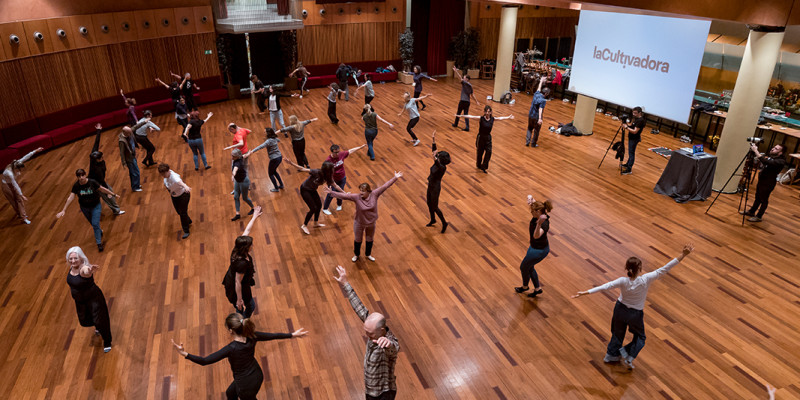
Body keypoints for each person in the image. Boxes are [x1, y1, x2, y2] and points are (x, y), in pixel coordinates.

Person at [572, 244, 694, 369]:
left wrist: (586, 292)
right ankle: (629, 356)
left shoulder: (622, 281)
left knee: (617, 333)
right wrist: (683, 255)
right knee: (640, 337)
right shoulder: (646, 279)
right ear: (640, 268)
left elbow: (605, 286)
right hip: (635, 314)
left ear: (626, 268)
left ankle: (610, 356)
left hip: (620, 310)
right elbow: (666, 268)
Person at [171, 313, 307, 400]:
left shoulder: (231, 349)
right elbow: (274, 336)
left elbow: (205, 361)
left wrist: (184, 353)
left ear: (231, 331)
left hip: (246, 384)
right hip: (257, 374)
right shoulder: (253, 335)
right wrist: (292, 334)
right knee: (230, 393)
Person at [334, 265, 399, 400]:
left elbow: (394, 349)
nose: (367, 336)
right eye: (366, 332)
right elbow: (360, 308)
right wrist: (345, 283)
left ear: (381, 331)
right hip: (370, 390)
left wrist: (388, 345)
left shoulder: (386, 342)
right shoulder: (374, 328)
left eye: (370, 334)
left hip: (383, 394)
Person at [324, 171, 401, 262]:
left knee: (369, 239)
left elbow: (385, 186)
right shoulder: (357, 197)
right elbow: (344, 196)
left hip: (371, 223)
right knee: (358, 239)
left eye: (363, 191)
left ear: (368, 191)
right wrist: (332, 192)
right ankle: (356, 255)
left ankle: (368, 255)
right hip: (359, 222)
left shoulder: (375, 194)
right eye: (360, 190)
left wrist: (395, 178)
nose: (360, 193)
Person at [56, 169, 120, 252]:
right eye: (79, 176)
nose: (81, 178)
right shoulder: (76, 186)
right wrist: (63, 210)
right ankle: (99, 231)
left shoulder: (92, 182)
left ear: (85, 175)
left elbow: (102, 189)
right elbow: (71, 197)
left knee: (95, 223)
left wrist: (113, 194)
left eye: (82, 175)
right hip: (85, 208)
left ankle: (99, 243)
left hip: (96, 206)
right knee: (94, 224)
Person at [65, 246, 113, 352]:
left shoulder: (83, 268)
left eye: (75, 258)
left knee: (101, 320)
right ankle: (98, 327)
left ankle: (107, 342)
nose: (73, 261)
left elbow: (86, 272)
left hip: (93, 299)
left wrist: (89, 271)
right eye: (71, 258)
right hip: (80, 301)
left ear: (81, 258)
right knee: (86, 319)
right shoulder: (72, 268)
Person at [221, 206, 263, 317]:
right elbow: (237, 282)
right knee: (249, 306)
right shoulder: (242, 263)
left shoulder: (238, 247)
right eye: (251, 245)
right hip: (238, 287)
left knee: (242, 306)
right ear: (246, 248)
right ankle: (241, 324)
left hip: (236, 281)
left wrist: (254, 216)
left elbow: (247, 230)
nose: (252, 246)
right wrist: (239, 300)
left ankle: (239, 320)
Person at [285, 159, 341, 235]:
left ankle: (315, 223)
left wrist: (345, 194)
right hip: (305, 189)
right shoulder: (316, 172)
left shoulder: (328, 177)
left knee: (319, 205)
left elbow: (336, 186)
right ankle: (304, 225)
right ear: (328, 170)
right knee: (313, 208)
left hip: (312, 190)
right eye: (332, 168)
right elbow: (302, 169)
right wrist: (291, 163)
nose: (333, 169)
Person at [514, 196, 553, 298]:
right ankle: (537, 289)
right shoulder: (540, 212)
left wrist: (539, 224)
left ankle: (525, 286)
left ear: (538, 212)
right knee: (529, 266)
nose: (531, 212)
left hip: (539, 251)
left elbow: (536, 236)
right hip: (534, 247)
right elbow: (536, 204)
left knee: (524, 267)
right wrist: (531, 199)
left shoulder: (544, 223)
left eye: (532, 211)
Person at [457, 105, 514, 173]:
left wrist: (508, 117)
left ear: (491, 112)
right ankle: (478, 165)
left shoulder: (493, 119)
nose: (487, 113)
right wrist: (461, 116)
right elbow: (471, 116)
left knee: (489, 152)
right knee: (480, 153)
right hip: (481, 137)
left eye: (489, 112)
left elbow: (501, 118)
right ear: (484, 112)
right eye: (486, 111)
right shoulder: (481, 118)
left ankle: (484, 166)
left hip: (488, 138)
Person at [742, 143, 786, 222]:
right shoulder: (772, 156)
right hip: (762, 180)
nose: (773, 149)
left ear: (780, 153)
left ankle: (759, 216)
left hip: (768, 182)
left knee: (763, 199)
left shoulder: (780, 161)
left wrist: (756, 150)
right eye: (774, 147)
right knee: (757, 197)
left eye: (776, 149)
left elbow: (766, 162)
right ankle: (752, 211)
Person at [88, 124, 124, 216]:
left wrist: (99, 130)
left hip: (96, 182)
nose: (103, 157)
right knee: (109, 196)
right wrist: (108, 191)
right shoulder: (96, 169)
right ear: (98, 159)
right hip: (97, 184)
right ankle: (116, 210)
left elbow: (96, 144)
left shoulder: (93, 157)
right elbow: (101, 181)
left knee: (102, 196)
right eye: (102, 157)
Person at [2, 146, 44, 224]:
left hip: (11, 184)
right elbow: (15, 185)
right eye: (19, 170)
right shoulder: (9, 174)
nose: (20, 171)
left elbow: (25, 157)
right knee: (15, 200)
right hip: (6, 186)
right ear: (15, 168)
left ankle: (22, 215)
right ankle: (22, 217)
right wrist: (22, 195)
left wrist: (35, 150)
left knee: (19, 200)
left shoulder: (16, 163)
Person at [323, 143, 367, 215]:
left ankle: (339, 204)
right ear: (332, 152)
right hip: (332, 180)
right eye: (335, 152)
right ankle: (325, 208)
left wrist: (361, 147)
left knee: (340, 192)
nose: (337, 154)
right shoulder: (328, 161)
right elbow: (325, 172)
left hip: (342, 177)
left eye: (338, 152)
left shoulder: (341, 154)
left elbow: (351, 150)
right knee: (330, 194)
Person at [158, 163, 192, 239]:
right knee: (179, 212)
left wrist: (186, 186)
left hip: (183, 195)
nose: (163, 175)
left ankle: (186, 231)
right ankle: (188, 220)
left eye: (164, 173)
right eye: (161, 174)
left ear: (168, 171)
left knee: (182, 213)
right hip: (174, 196)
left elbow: (179, 182)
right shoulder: (166, 177)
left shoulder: (174, 177)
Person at [245, 128, 284, 192]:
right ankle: (281, 185)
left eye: (264, 132)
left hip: (274, 159)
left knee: (270, 174)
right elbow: (278, 140)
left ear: (268, 133)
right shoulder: (274, 138)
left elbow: (260, 146)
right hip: (279, 157)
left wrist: (251, 152)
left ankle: (276, 188)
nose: (264, 133)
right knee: (274, 171)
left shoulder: (269, 141)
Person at [426, 131, 450, 233]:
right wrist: (433, 140)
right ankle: (433, 219)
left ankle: (444, 223)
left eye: (438, 155)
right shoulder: (438, 163)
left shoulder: (441, 167)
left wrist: (434, 156)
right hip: (430, 185)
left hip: (435, 187)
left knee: (435, 207)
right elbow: (434, 151)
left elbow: (434, 157)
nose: (437, 154)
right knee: (428, 203)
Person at [225, 123, 254, 192]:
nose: (231, 132)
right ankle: (247, 185)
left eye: (230, 130)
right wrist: (239, 127)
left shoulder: (238, 134)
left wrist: (230, 147)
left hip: (239, 155)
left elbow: (241, 143)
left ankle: (236, 189)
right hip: (246, 152)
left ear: (233, 129)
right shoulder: (243, 130)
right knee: (245, 169)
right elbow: (250, 131)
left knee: (234, 169)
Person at [452, 66, 480, 132]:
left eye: (464, 78)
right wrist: (476, 101)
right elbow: (472, 94)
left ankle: (456, 124)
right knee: (466, 114)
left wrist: (456, 71)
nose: (463, 78)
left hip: (462, 101)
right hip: (467, 102)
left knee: (458, 112)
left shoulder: (464, 83)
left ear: (467, 79)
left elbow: (459, 78)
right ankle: (467, 127)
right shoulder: (470, 86)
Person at [230, 149, 255, 221]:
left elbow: (235, 170)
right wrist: (249, 153)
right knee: (236, 196)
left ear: (237, 157)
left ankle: (253, 208)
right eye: (231, 155)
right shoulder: (240, 157)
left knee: (245, 198)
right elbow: (244, 156)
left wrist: (233, 175)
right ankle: (237, 214)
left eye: (233, 156)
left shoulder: (237, 164)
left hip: (244, 182)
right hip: (238, 181)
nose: (231, 157)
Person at [620, 106, 645, 174]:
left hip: (634, 139)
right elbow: (632, 126)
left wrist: (626, 127)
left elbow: (634, 131)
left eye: (635, 113)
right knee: (630, 152)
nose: (633, 114)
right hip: (631, 138)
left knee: (631, 154)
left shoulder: (640, 121)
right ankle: (627, 164)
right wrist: (626, 125)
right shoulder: (636, 119)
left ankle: (629, 169)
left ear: (640, 113)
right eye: (633, 113)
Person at [526, 78, 550, 147]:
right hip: (536, 117)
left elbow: (539, 88)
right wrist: (540, 118)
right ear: (546, 94)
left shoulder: (536, 94)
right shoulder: (543, 100)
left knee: (529, 128)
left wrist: (541, 81)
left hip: (531, 114)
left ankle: (527, 142)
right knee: (536, 131)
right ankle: (533, 144)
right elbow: (540, 109)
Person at [118, 126, 142, 192]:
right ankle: (135, 187)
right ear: (124, 132)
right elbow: (122, 153)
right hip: (129, 159)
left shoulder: (129, 133)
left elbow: (135, 127)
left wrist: (145, 121)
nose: (131, 134)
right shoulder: (122, 141)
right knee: (135, 173)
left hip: (132, 156)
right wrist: (124, 163)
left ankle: (136, 184)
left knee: (133, 173)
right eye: (129, 133)